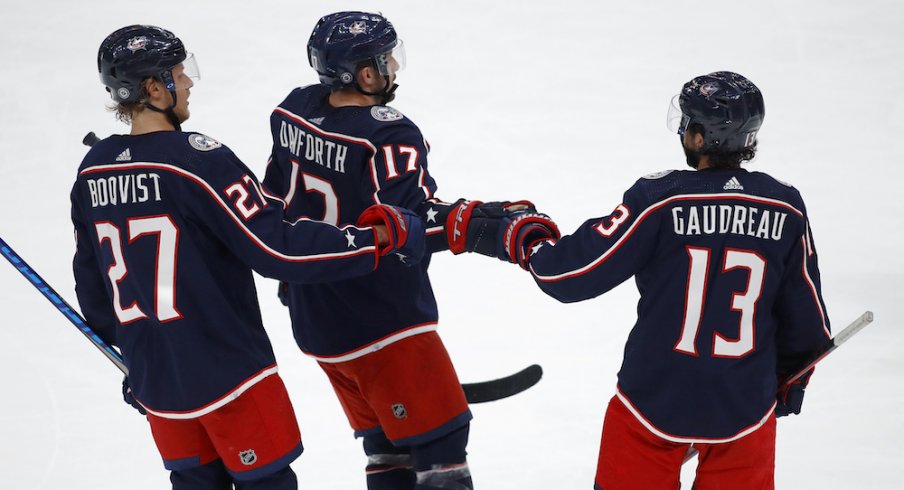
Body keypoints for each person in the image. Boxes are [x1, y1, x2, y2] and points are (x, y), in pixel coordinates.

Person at [71, 24, 425, 490]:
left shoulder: (93, 170)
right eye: (180, 73)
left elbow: (92, 285)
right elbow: (274, 247)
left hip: (159, 386)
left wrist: (137, 359)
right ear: (154, 88)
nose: (190, 81)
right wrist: (372, 241)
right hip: (231, 375)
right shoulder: (197, 161)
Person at [488, 71, 831, 489]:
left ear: (703, 139)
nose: (684, 131)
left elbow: (569, 276)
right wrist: (793, 379)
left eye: (689, 124)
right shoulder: (786, 205)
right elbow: (807, 317)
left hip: (652, 404)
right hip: (744, 408)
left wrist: (529, 241)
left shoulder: (661, 199)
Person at [262, 11, 554, 490]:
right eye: (385, 59)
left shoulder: (293, 110)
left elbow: (273, 204)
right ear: (365, 72)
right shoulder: (388, 133)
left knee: (386, 449)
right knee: (442, 450)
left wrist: (291, 277)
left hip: (315, 320)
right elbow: (408, 227)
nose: (393, 66)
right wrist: (488, 225)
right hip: (384, 325)